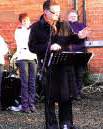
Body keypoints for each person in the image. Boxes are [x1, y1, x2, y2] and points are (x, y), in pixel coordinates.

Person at [28, 0, 81, 128]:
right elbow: (32, 47)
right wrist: (49, 46)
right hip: (49, 67)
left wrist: (80, 36)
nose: (57, 14)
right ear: (46, 12)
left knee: (66, 97)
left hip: (65, 66)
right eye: (54, 12)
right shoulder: (36, 27)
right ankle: (52, 125)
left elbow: (72, 39)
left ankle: (66, 124)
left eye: (58, 11)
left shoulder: (64, 25)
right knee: (50, 99)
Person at [14, 13, 38, 113]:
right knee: (25, 82)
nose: (26, 22)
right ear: (21, 22)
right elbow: (22, 43)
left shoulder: (34, 30)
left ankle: (32, 104)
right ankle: (25, 105)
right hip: (23, 56)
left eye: (27, 20)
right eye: (24, 21)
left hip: (32, 57)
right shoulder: (18, 31)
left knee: (32, 82)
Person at [67, 9, 91, 100]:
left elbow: (85, 36)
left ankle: (78, 91)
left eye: (74, 16)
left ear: (77, 17)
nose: (73, 18)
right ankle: (73, 93)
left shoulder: (81, 25)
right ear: (68, 17)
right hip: (70, 53)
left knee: (79, 74)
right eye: (71, 16)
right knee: (71, 74)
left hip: (80, 52)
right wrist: (78, 35)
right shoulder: (67, 25)